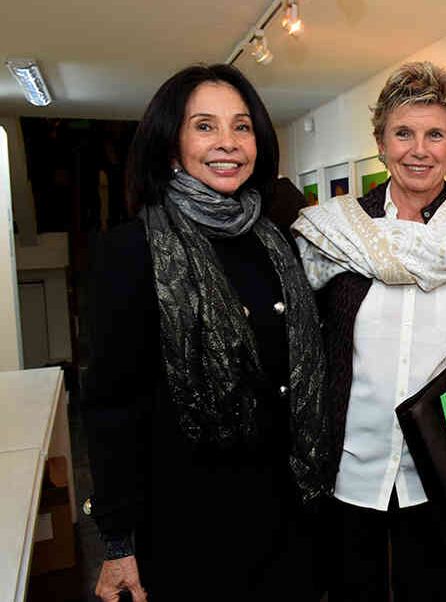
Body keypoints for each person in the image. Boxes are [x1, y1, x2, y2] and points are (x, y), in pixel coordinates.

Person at [83, 64, 328, 602]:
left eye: (241, 127)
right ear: (171, 147)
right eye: (205, 126)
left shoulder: (275, 242)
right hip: (186, 522)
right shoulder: (129, 252)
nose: (228, 143)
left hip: (287, 512)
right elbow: (110, 407)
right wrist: (117, 542)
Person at [292, 61, 446, 601]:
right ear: (382, 142)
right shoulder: (337, 231)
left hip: (436, 474)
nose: (419, 149)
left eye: (435, 134)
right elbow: (307, 353)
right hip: (347, 472)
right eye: (403, 132)